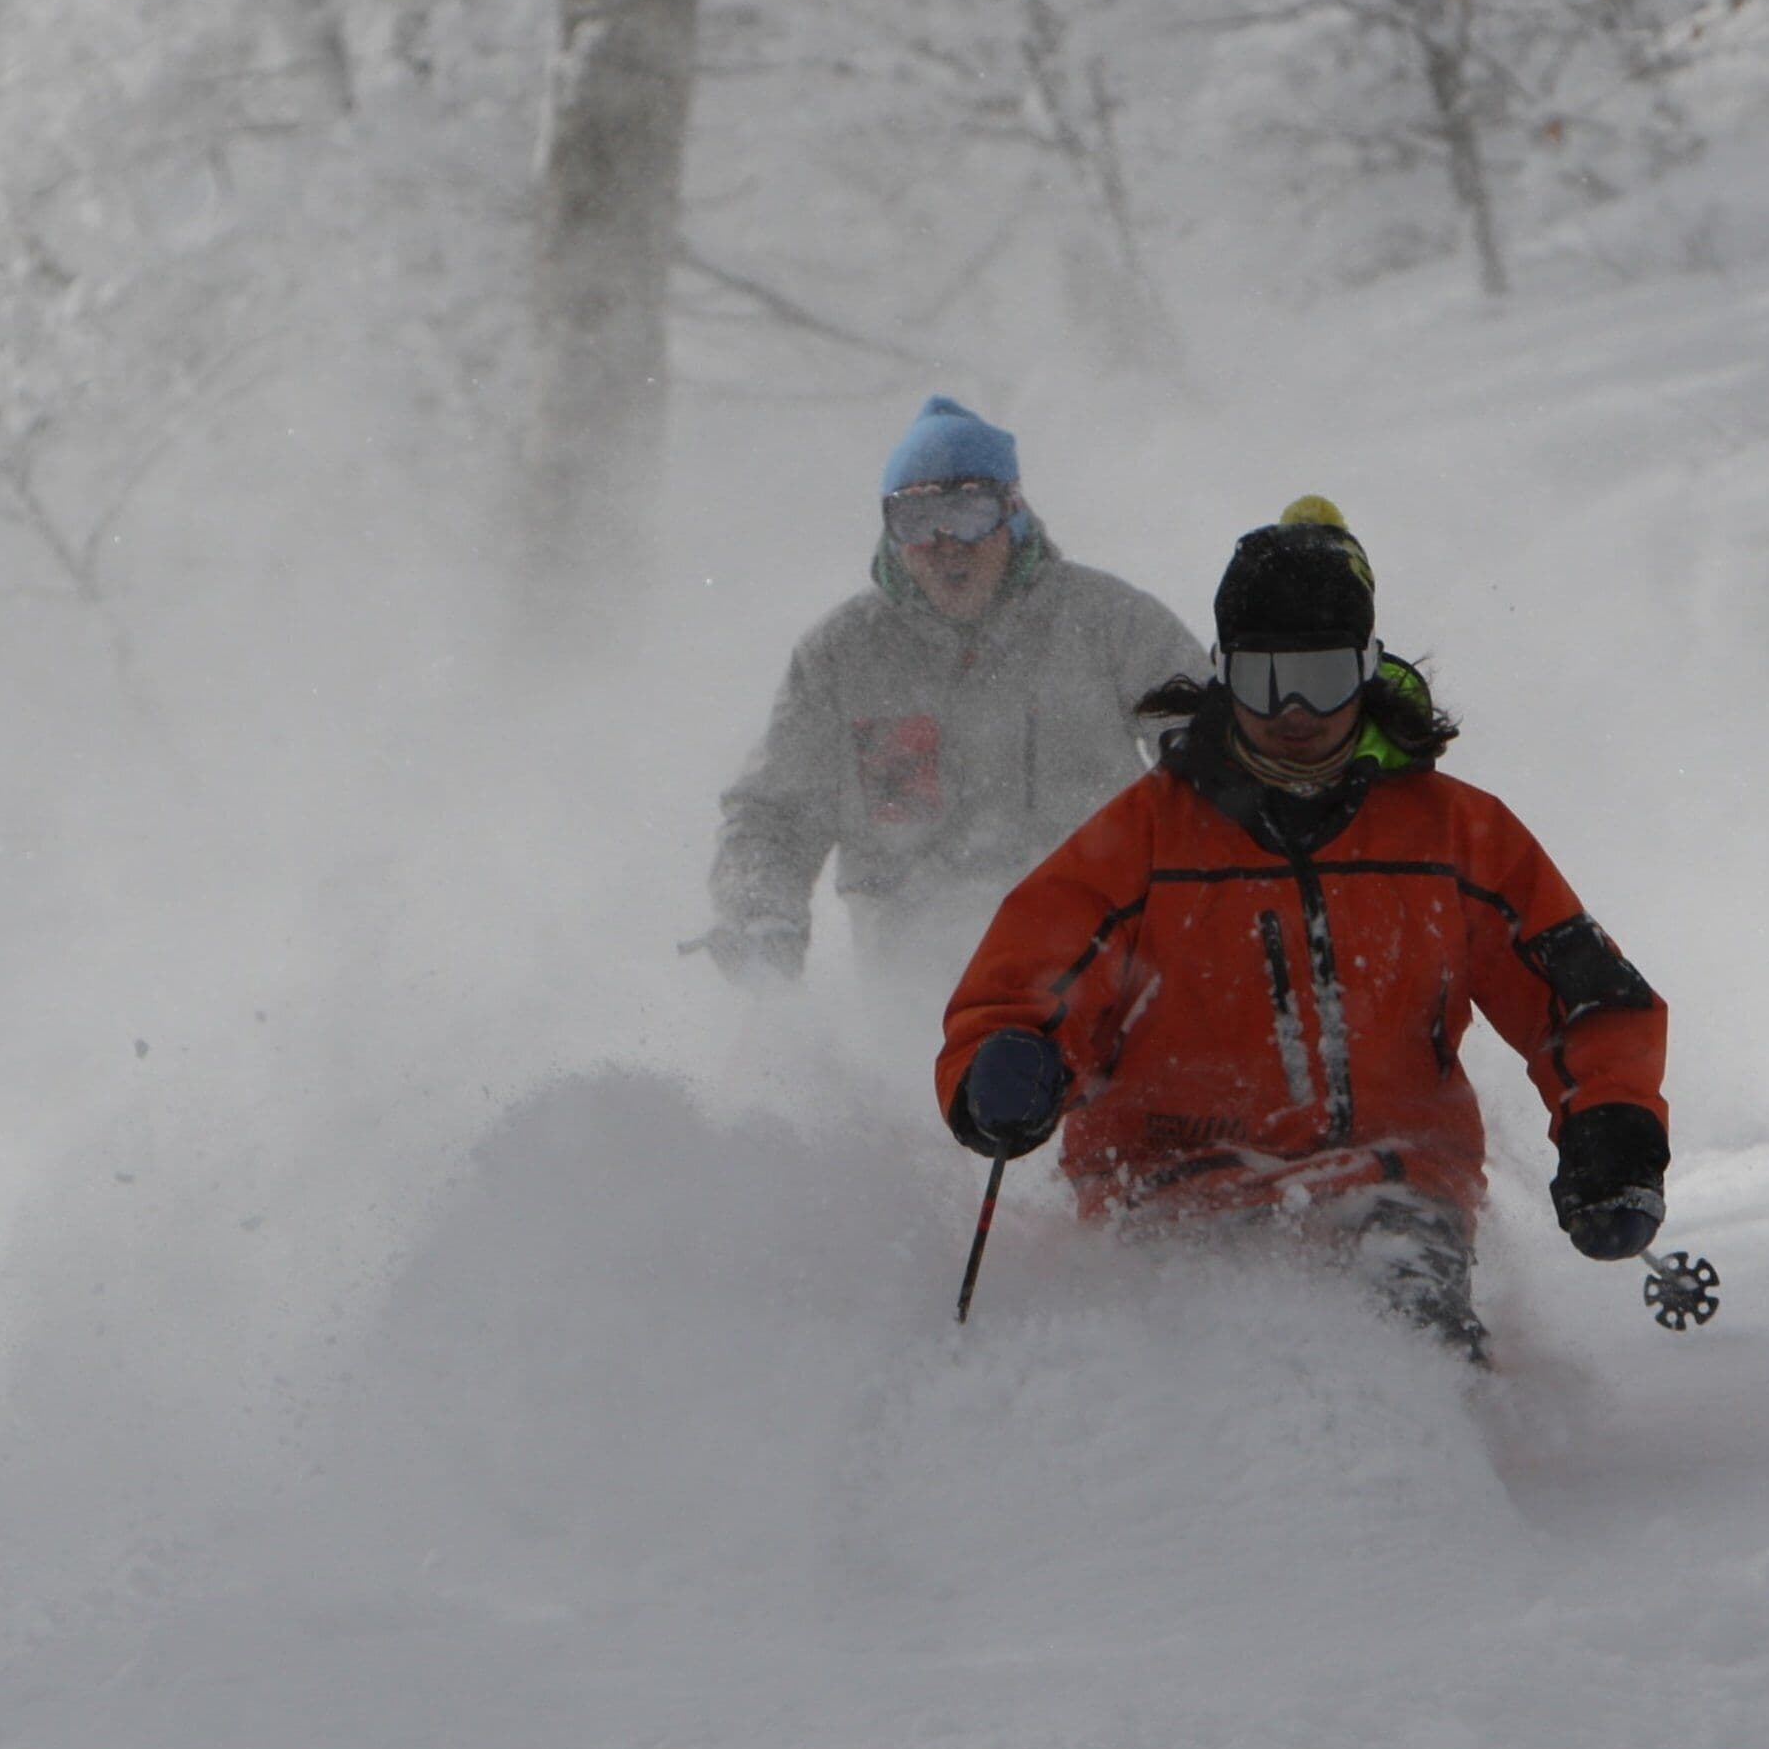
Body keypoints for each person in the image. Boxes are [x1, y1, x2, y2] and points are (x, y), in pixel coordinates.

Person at [930, 499, 1671, 1361]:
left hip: (1394, 1178)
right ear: (1220, 674)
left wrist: (1610, 1129)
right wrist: (1004, 1066)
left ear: (1367, 670)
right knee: (1207, 1363)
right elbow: (1022, 983)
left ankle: (1428, 1473)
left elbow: (1580, 994)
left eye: (1321, 678)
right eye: (1262, 678)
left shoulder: (1456, 836)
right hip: (1172, 1185)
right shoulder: (1143, 843)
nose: (1293, 711)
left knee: (1411, 1334)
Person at [706, 397, 1209, 989]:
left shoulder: (1109, 625)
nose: (947, 543)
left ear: (1013, 513)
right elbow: (775, 813)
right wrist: (761, 913)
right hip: (913, 1003)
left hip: (1102, 974)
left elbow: (1213, 760)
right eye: (917, 521)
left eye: (970, 511)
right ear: (891, 533)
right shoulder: (842, 658)